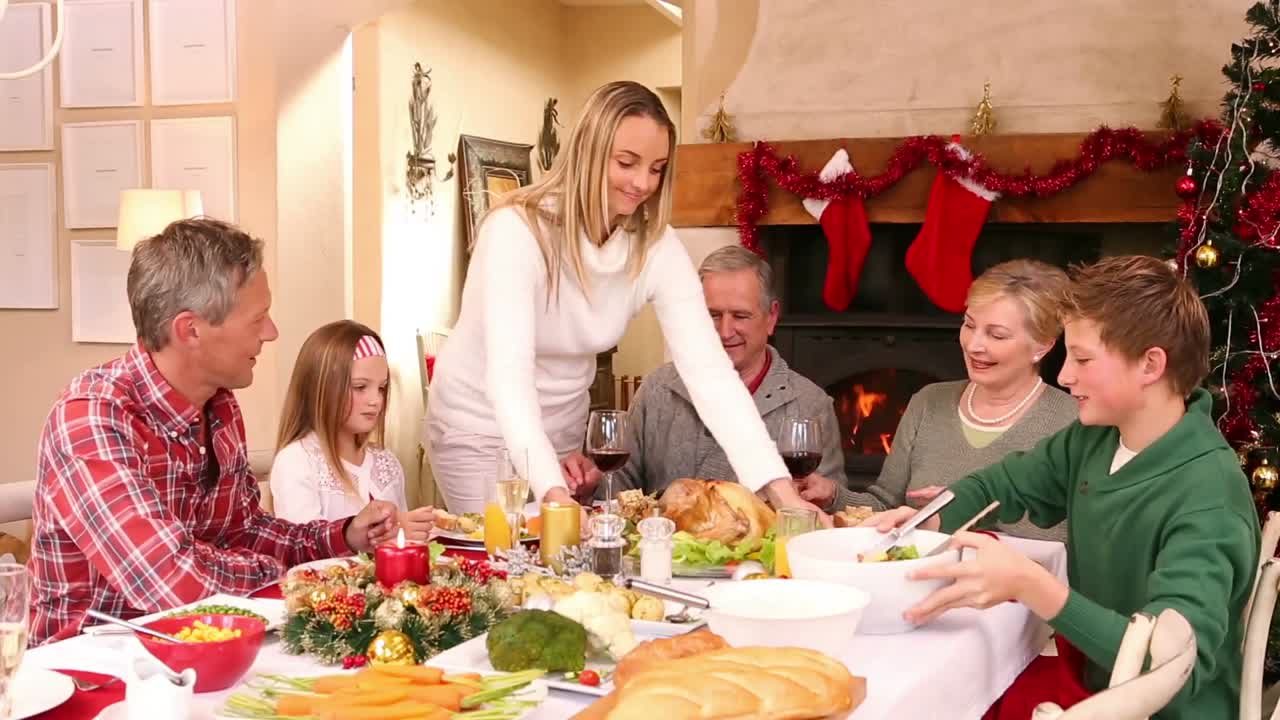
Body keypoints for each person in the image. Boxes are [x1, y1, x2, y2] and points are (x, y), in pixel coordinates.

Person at [864, 255, 1259, 720]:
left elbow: (1166, 666)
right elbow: (1001, 482)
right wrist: (928, 518)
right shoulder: (1097, 437)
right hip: (1089, 688)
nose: (1065, 375)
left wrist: (1034, 587)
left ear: (1150, 364)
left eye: (1083, 359)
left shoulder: (1207, 496)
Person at [425, 80, 821, 520]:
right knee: (509, 560)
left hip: (560, 431)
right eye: (627, 162)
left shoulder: (654, 245)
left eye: (656, 168)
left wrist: (786, 497)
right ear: (589, 153)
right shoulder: (516, 232)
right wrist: (554, 497)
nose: (642, 183)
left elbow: (711, 376)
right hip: (480, 425)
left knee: (561, 571)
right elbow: (509, 379)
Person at [28, 218, 399, 645]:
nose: (272, 332)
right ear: (190, 330)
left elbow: (246, 531)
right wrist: (270, 572)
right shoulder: (92, 417)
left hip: (201, 647)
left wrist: (343, 534)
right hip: (94, 670)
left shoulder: (220, 406)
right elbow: (168, 581)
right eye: (258, 318)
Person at [803, 259, 1077, 541]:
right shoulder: (929, 402)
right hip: (917, 574)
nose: (973, 345)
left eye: (997, 335)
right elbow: (887, 505)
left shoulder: (1073, 420)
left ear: (1042, 346)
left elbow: (1066, 538)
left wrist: (958, 513)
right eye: (969, 325)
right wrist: (834, 496)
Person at [560, 245, 847, 499]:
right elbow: (618, 491)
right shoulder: (657, 389)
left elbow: (824, 510)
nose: (724, 331)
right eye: (712, 315)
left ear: (771, 317)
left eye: (741, 316)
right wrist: (589, 484)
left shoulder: (811, 404)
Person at [270, 321, 437, 540]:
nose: (375, 400)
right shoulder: (297, 462)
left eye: (382, 388)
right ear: (321, 388)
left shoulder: (387, 464)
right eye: (360, 387)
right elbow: (305, 552)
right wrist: (394, 532)